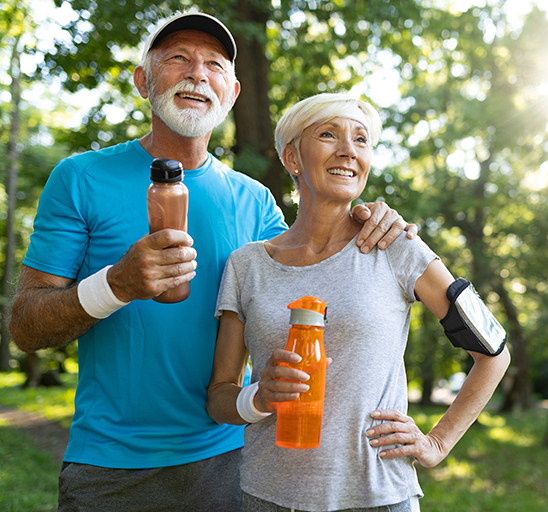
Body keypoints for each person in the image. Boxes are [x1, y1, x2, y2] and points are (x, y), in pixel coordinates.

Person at [9, 13, 414, 512]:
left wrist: (364, 217)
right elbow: (26, 327)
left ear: (233, 91)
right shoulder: (80, 178)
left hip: (231, 462)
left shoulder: (257, 201)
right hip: (110, 468)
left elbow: (318, 284)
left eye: (215, 65)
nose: (198, 73)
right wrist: (116, 284)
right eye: (178, 58)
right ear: (143, 80)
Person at [206, 93, 511, 512]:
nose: (348, 150)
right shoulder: (247, 266)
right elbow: (220, 397)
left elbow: (493, 353)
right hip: (268, 496)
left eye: (362, 140)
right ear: (292, 157)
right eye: (329, 134)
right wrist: (259, 397)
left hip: (378, 496)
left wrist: (437, 442)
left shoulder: (397, 246)